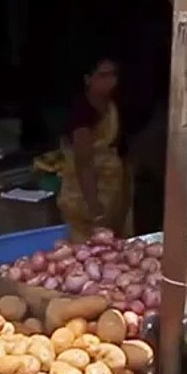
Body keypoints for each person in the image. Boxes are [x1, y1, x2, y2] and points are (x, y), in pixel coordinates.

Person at [55, 57, 132, 239]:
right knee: (88, 246)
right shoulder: (82, 110)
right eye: (103, 75)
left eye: (113, 75)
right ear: (88, 79)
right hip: (84, 193)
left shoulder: (112, 106)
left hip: (111, 191)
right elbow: (84, 162)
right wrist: (93, 204)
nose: (110, 81)